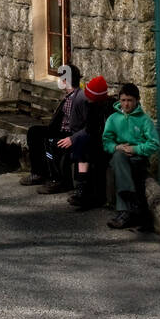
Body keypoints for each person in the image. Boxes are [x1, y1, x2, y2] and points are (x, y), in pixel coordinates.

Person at [102, 83, 160, 229]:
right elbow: (106, 141)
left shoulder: (144, 120)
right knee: (118, 156)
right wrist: (117, 146)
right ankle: (131, 205)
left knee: (120, 161)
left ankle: (124, 212)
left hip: (137, 158)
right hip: (120, 155)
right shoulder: (113, 119)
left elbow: (154, 144)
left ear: (137, 100)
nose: (126, 104)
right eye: (123, 100)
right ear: (119, 101)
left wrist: (135, 149)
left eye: (130, 100)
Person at [20, 63, 84, 194]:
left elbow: (85, 125)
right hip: (60, 129)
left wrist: (72, 138)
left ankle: (58, 181)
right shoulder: (69, 96)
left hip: (70, 133)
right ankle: (38, 173)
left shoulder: (79, 97)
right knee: (34, 132)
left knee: (52, 142)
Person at [67, 75, 110, 210]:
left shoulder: (105, 109)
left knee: (87, 149)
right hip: (96, 142)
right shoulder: (92, 106)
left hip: (106, 144)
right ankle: (81, 188)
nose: (87, 98)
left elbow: (101, 131)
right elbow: (91, 130)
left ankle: (86, 191)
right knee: (83, 145)